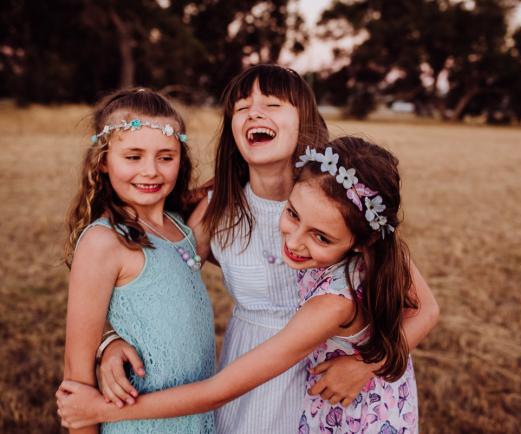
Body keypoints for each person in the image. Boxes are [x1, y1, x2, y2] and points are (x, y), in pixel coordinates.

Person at [59, 65, 437, 433]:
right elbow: (144, 277)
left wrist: (368, 365)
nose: (255, 111)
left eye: (272, 105)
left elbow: (425, 309)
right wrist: (107, 339)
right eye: (241, 107)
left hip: (326, 379)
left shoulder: (337, 206)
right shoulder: (214, 207)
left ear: (304, 119)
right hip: (248, 369)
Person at [62, 88, 217, 434]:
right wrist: (106, 343)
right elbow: (76, 373)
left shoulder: (181, 229)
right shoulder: (105, 241)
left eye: (166, 157)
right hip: (139, 423)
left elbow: (229, 182)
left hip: (194, 421)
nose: (151, 171)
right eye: (133, 157)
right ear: (102, 161)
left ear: (182, 158)